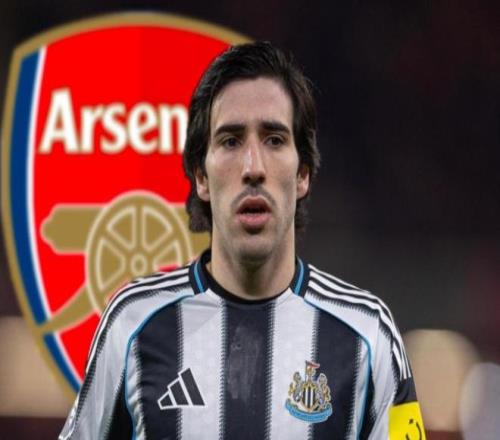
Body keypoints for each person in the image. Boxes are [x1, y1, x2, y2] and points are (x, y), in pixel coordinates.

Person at [60, 41, 425, 440]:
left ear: (303, 174)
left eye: (274, 139)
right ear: (201, 176)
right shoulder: (132, 324)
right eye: (231, 141)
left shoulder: (368, 335)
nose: (253, 168)